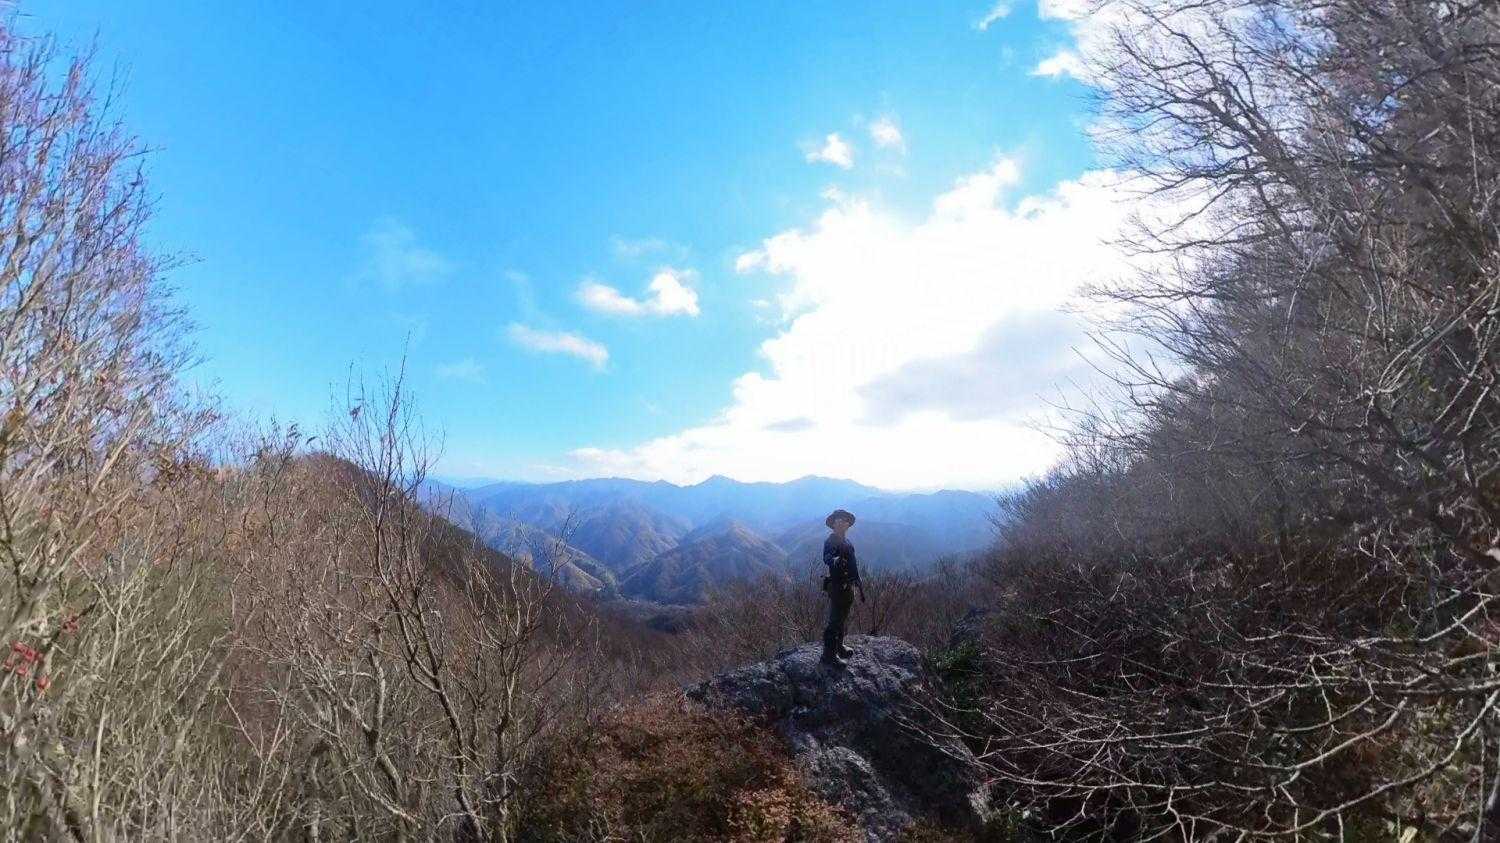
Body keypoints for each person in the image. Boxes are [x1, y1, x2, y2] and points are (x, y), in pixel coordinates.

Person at [820, 508, 865, 667]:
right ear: (833, 524)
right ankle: (828, 655)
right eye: (838, 521)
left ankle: (839, 646)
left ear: (847, 525)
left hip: (848, 586)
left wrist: (857, 579)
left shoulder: (847, 542)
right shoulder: (831, 541)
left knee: (842, 618)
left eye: (844, 521)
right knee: (835, 620)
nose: (841, 524)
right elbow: (827, 557)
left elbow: (853, 564)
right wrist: (835, 560)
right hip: (837, 586)